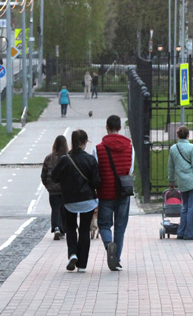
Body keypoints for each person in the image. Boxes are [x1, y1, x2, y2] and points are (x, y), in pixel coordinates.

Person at [52, 130, 101, 272]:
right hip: (87, 200)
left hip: (69, 200)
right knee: (84, 229)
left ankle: (72, 254)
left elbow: (55, 177)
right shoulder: (90, 159)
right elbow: (96, 182)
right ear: (85, 142)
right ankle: (82, 264)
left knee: (71, 227)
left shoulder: (65, 160)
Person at [93, 115, 134, 271]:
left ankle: (108, 244)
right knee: (120, 226)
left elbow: (95, 171)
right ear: (120, 127)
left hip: (105, 192)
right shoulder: (130, 147)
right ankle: (116, 259)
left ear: (106, 127)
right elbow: (130, 170)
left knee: (104, 224)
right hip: (123, 192)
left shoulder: (98, 148)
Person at [167, 125, 193, 240]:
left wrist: (171, 181)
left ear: (178, 135)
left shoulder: (173, 148)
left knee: (184, 207)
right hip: (192, 182)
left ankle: (181, 232)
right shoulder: (192, 148)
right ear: (188, 135)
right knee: (191, 208)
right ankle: (190, 234)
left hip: (182, 182)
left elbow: (170, 167)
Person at [41, 135, 69, 241]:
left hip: (52, 190)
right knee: (64, 209)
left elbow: (43, 175)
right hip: (64, 189)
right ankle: (63, 230)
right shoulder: (67, 157)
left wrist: (47, 186)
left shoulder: (49, 158)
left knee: (55, 208)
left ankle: (56, 227)